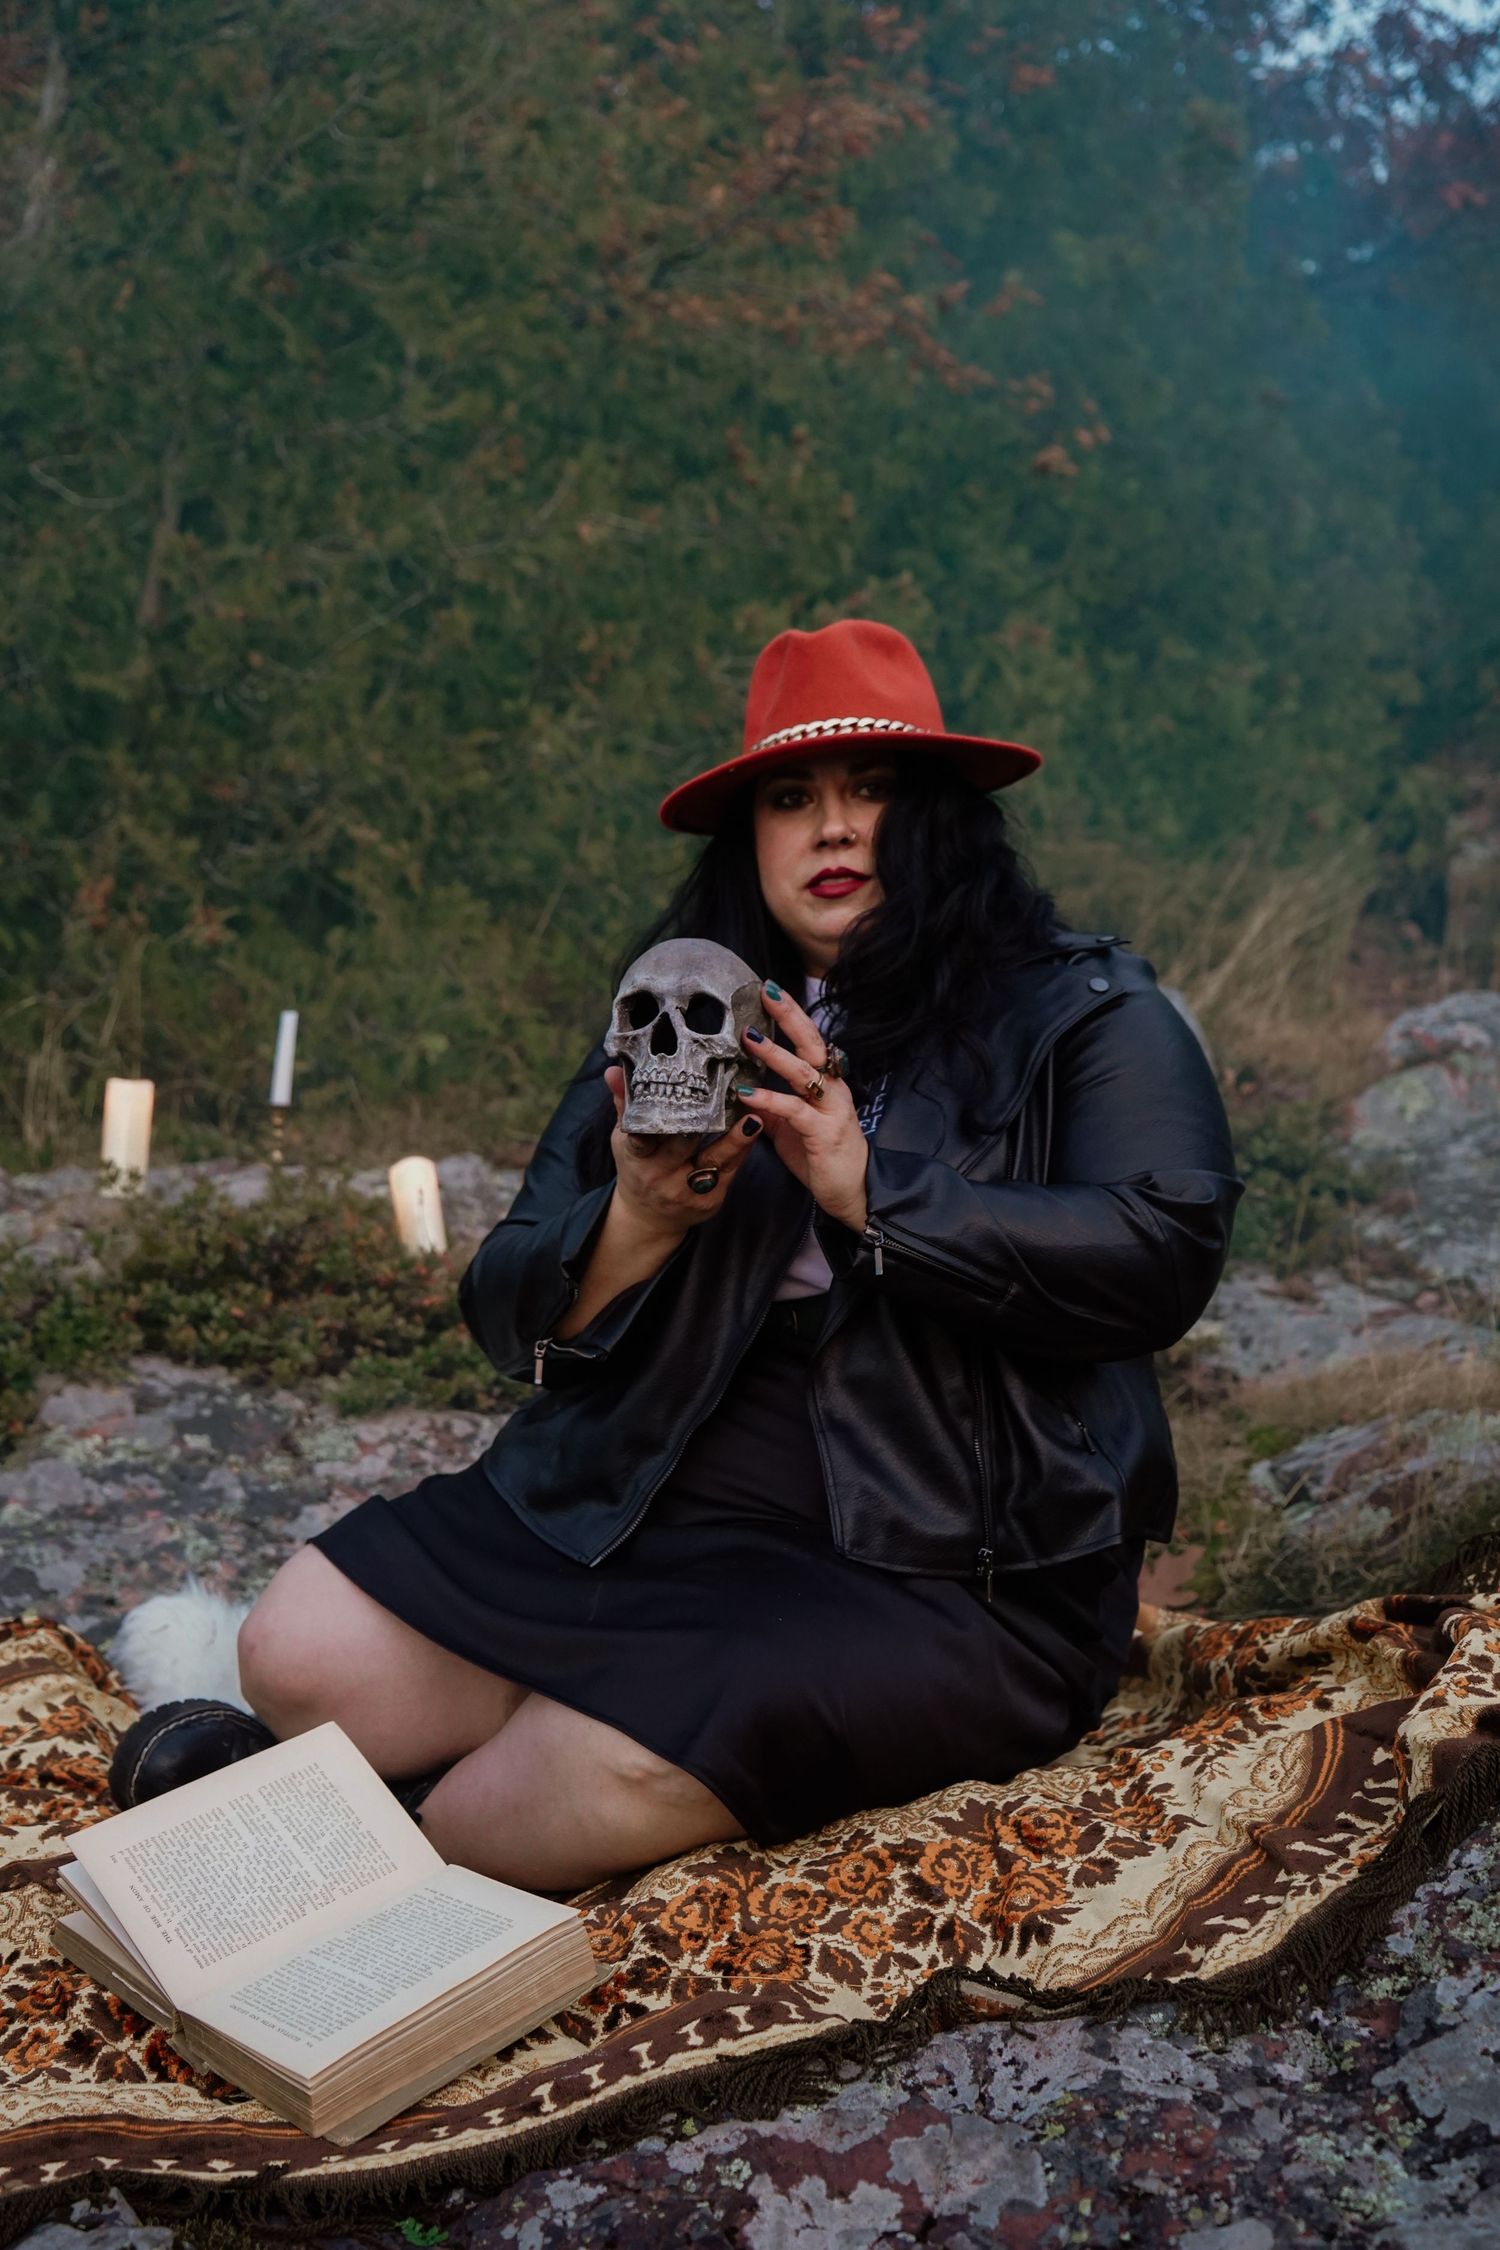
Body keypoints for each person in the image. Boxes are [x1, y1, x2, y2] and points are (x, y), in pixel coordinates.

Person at [111, 619, 1243, 1895]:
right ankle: (484, 1749)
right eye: (791, 798)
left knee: (513, 1813)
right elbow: (509, 1306)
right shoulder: (680, 1015)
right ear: (747, 838)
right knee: (295, 1651)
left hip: (955, 1552)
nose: (832, 828)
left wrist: (874, 1195)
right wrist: (642, 1216)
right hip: (670, 1485)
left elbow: (1163, 1250)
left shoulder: (1083, 1012)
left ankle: (424, 1811)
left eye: (871, 790)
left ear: (938, 817)